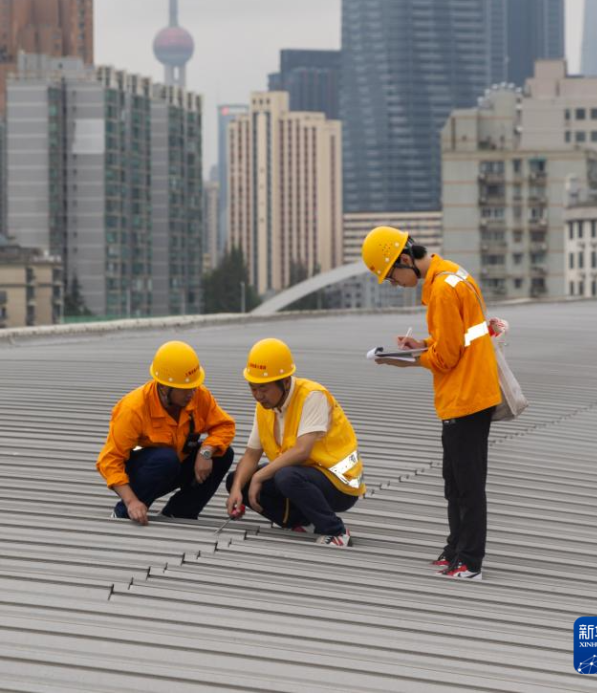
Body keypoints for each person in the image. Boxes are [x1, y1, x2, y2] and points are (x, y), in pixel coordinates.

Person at [362, 226, 500, 581]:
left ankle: (469, 561)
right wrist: (420, 343)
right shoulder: (453, 274)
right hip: (469, 393)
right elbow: (459, 336)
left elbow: (446, 358)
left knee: (466, 485)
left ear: (405, 260)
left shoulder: (440, 290)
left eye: (392, 276)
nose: (394, 284)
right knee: (455, 481)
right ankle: (455, 550)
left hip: (464, 397)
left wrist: (402, 360)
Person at [226, 337, 365, 547]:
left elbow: (302, 451)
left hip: (340, 484)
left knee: (285, 476)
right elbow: (251, 455)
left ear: (285, 381)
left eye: (263, 389)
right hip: (304, 478)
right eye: (253, 388)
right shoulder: (265, 407)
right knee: (236, 479)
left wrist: (259, 477)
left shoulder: (312, 396)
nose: (258, 396)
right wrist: (237, 489)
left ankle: (336, 532)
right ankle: (301, 522)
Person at [97, 340, 235, 524]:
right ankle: (125, 512)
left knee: (223, 454)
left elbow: (224, 426)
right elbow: (109, 460)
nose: (192, 393)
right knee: (165, 459)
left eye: (194, 386)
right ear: (163, 387)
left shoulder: (198, 396)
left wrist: (206, 451)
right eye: (185, 389)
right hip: (142, 473)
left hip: (175, 466)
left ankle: (180, 511)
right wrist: (131, 500)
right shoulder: (133, 409)